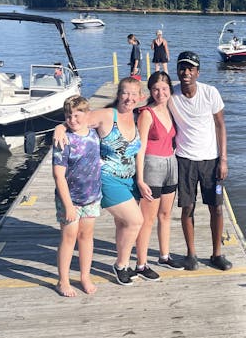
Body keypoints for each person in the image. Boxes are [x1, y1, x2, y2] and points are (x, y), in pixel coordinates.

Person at [54, 77, 144, 286]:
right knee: (135, 221)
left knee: (123, 223)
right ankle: (120, 265)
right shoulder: (106, 115)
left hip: (127, 180)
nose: (129, 98)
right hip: (106, 179)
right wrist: (59, 127)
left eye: (133, 94)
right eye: (125, 93)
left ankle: (120, 265)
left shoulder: (137, 116)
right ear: (118, 94)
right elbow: (77, 120)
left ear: (140, 97)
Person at [168, 51, 231, 272]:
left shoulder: (210, 93)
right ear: (177, 71)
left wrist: (223, 160)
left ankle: (216, 254)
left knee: (217, 208)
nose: (186, 72)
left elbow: (220, 125)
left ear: (198, 73)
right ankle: (191, 255)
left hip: (211, 160)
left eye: (190, 69)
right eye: (182, 68)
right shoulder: (171, 95)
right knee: (187, 208)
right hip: (184, 159)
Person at [134, 71, 184, 278]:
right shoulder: (147, 113)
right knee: (148, 219)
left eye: (164, 88)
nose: (160, 92)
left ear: (170, 90)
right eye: (155, 89)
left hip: (171, 165)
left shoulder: (172, 109)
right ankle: (141, 264)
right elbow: (140, 147)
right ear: (151, 91)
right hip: (152, 166)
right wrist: (139, 178)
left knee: (165, 215)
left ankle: (164, 255)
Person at [52, 95, 101, 297]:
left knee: (86, 236)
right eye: (68, 116)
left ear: (87, 114)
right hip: (69, 199)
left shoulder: (95, 134)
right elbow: (58, 175)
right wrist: (69, 205)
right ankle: (62, 280)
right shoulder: (63, 140)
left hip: (91, 196)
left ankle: (85, 276)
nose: (72, 120)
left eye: (77, 115)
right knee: (69, 236)